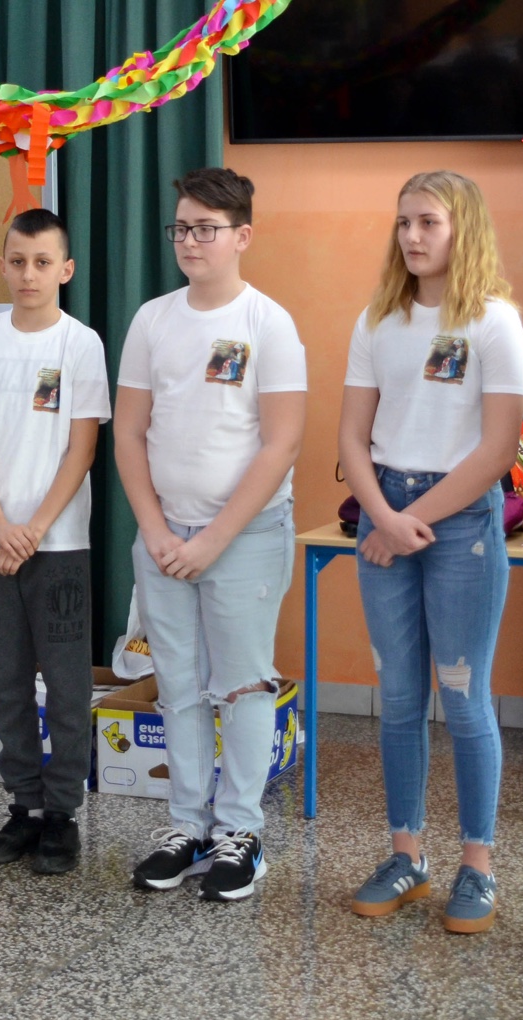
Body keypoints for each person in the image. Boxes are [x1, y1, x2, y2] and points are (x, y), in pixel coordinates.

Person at [338, 172, 523, 932]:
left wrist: (406, 521)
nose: (412, 237)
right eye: (404, 222)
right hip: (385, 512)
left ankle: (476, 865)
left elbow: (498, 450)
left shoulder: (495, 323)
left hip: (459, 526)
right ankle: (406, 856)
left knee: (464, 696)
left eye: (429, 223)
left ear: (463, 230)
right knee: (398, 698)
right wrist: (383, 517)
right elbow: (351, 436)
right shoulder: (378, 319)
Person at [117, 167, 306, 902]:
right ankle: (187, 827)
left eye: (206, 229)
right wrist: (156, 529)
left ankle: (240, 835)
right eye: (182, 227)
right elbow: (129, 433)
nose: (190, 241)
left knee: (243, 685)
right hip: (164, 535)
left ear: (242, 236)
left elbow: (281, 444)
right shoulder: (152, 320)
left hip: (246, 536)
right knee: (179, 687)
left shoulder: (269, 324)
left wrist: (212, 540)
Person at [0, 208, 108, 875]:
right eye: (17, 261)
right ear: (2, 265)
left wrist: (36, 528)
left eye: (43, 262)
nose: (28, 274)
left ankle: (63, 813)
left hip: (60, 541)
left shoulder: (81, 344)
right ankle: (23, 805)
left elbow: (82, 449)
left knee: (67, 683)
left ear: (64, 270)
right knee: (6, 679)